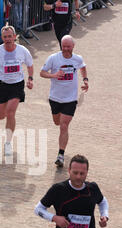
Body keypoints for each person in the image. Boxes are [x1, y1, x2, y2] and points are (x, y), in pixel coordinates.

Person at [0, 25, 34, 156]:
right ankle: (8, 120)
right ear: (2, 38)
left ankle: (8, 143)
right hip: (1, 85)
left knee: (11, 113)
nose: (7, 39)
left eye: (10, 36)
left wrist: (31, 79)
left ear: (14, 36)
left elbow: (30, 65)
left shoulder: (22, 50)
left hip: (17, 85)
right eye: (5, 37)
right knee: (1, 116)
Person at [40, 35, 88, 168]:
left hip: (70, 99)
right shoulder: (53, 58)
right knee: (57, 122)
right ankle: (61, 149)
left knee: (63, 125)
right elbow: (42, 72)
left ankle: (60, 155)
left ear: (73, 46)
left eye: (68, 46)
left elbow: (83, 67)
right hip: (55, 98)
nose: (66, 49)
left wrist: (85, 80)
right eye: (64, 46)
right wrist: (53, 75)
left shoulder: (77, 59)